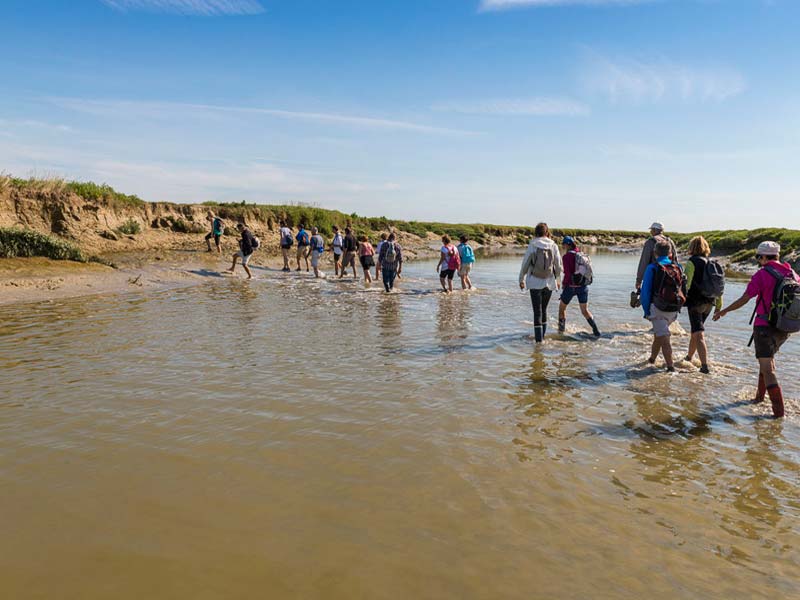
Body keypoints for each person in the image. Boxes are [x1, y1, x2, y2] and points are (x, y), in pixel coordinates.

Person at [714, 241, 800, 418]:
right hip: (784, 328)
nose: (758, 260)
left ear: (762, 257)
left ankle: (778, 415)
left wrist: (725, 311)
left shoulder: (761, 274)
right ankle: (759, 398)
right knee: (766, 363)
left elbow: (745, 298)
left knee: (768, 368)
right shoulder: (792, 273)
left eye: (758, 257)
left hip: (764, 327)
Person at [640, 240, 686, 372]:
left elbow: (646, 292)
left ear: (655, 253)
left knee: (664, 338)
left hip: (658, 308)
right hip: (673, 308)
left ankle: (670, 368)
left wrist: (646, 310)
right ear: (670, 253)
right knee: (659, 336)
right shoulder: (678, 267)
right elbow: (682, 289)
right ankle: (652, 360)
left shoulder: (652, 268)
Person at [683, 236, 724, 374]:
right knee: (695, 332)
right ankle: (689, 358)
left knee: (699, 334)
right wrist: (718, 306)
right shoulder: (711, 263)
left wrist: (679, 299)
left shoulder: (692, 262)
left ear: (691, 248)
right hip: (709, 303)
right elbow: (718, 287)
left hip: (695, 302)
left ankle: (704, 366)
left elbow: (686, 284)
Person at [518, 223, 562, 343]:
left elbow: (525, 264)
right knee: (544, 310)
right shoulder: (553, 245)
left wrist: (521, 279)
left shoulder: (533, 244)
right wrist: (558, 280)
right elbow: (558, 265)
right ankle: (542, 338)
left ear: (536, 233)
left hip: (534, 282)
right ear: (547, 232)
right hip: (549, 282)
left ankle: (539, 343)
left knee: (537, 311)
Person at [558, 236, 600, 337]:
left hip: (571, 287)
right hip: (583, 287)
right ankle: (596, 330)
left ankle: (561, 333)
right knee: (585, 311)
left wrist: (564, 286)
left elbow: (567, 274)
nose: (562, 246)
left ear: (568, 244)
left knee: (562, 309)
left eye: (563, 244)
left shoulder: (566, 257)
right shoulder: (581, 254)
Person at [636, 222, 679, 292]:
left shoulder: (650, 242)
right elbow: (675, 260)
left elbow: (644, 261)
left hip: (654, 276)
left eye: (651, 230)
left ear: (655, 230)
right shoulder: (670, 241)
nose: (650, 232)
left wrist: (639, 280)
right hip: (669, 276)